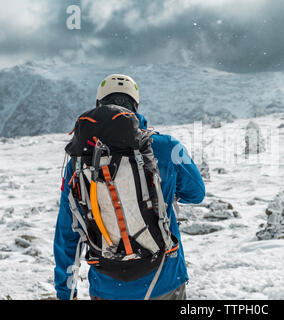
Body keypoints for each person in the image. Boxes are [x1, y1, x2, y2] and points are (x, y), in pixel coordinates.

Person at [53, 74, 205, 300]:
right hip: (163, 280)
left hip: (106, 287)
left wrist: (66, 292)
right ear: (135, 106)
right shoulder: (166, 147)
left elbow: (68, 231)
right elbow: (196, 194)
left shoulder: (79, 161)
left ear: (98, 105)